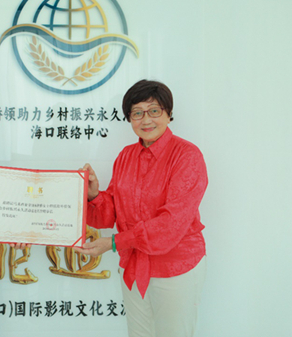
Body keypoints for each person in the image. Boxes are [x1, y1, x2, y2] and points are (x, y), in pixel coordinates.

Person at [75, 79, 208, 337]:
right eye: (137, 113)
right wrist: (93, 195)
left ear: (168, 113)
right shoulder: (126, 156)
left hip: (175, 267)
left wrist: (114, 243)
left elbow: (171, 224)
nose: (146, 120)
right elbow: (112, 212)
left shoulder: (187, 156)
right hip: (134, 265)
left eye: (154, 110)